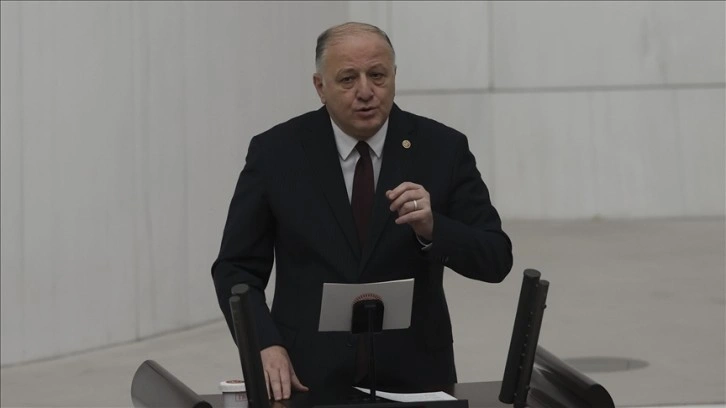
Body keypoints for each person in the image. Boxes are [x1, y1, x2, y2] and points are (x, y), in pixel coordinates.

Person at [212, 22, 513, 401]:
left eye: (377, 75)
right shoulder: (276, 153)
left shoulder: (442, 149)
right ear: (320, 86)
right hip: (306, 376)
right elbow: (236, 268)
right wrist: (263, 344)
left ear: (394, 76)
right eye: (348, 79)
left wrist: (433, 228)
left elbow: (496, 258)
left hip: (416, 377)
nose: (366, 91)